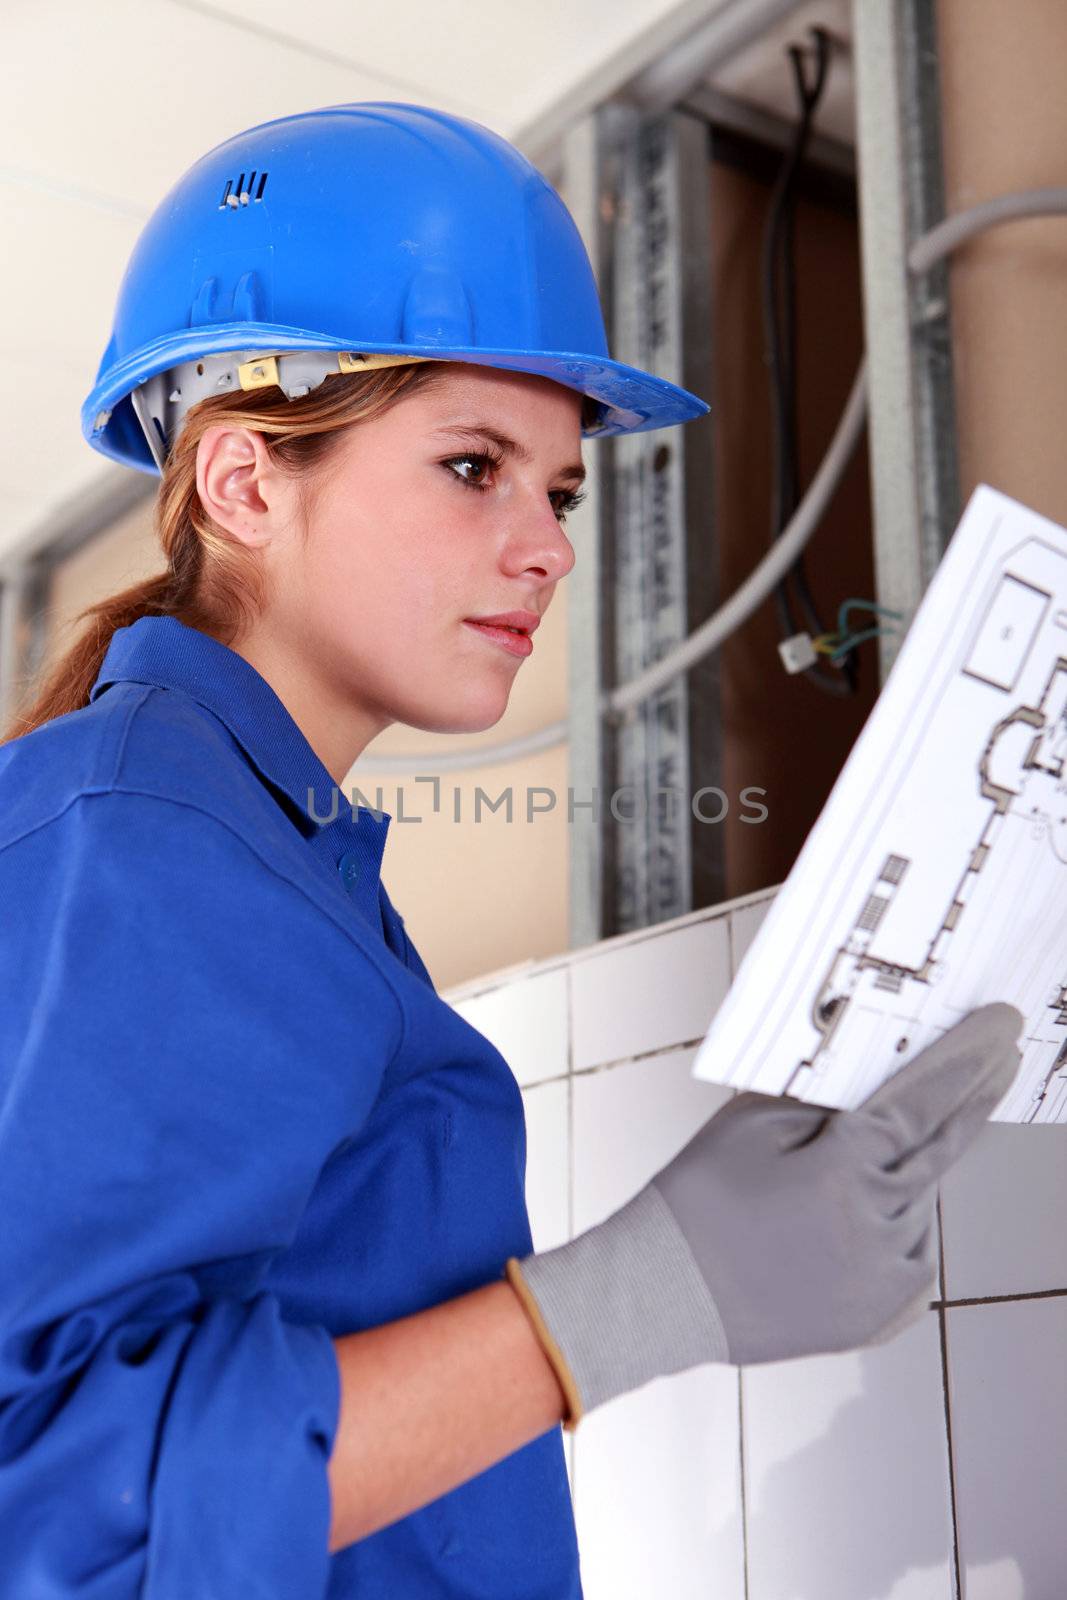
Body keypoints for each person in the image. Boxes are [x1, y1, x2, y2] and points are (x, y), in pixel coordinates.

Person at [0, 101, 1021, 1600]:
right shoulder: (147, 835)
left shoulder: (270, 861)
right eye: (474, 465)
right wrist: (629, 1302)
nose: (547, 545)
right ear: (240, 482)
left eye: (558, 489)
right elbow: (53, 1505)